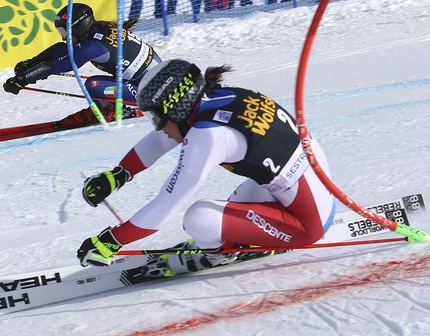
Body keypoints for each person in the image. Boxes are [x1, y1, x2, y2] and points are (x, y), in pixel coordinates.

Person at [76, 59, 336, 277]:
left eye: (156, 117)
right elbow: (162, 137)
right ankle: (233, 241)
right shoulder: (219, 97)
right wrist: (119, 175)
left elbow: (166, 206)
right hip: (306, 186)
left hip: (307, 224)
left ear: (176, 108)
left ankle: (217, 255)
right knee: (230, 207)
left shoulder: (209, 135)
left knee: (199, 218)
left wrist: (112, 241)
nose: (156, 125)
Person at [3, 3, 160, 123]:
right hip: (154, 79)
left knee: (93, 85)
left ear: (78, 27)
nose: (64, 37)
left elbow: (59, 65)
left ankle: (109, 111)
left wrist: (21, 80)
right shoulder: (100, 30)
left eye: (65, 32)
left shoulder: (92, 45)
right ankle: (106, 107)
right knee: (94, 83)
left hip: (151, 91)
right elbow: (62, 49)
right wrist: (32, 63)